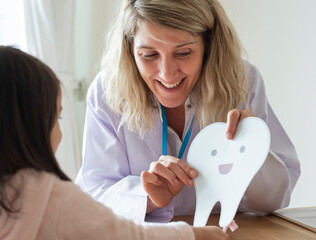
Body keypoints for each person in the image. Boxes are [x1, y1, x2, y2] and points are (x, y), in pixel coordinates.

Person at [75, 0, 300, 223]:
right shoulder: (108, 91)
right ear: (130, 49)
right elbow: (91, 198)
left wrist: (251, 150)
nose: (167, 74)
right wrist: (148, 197)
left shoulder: (242, 81)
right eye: (149, 55)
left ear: (208, 47)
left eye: (183, 53)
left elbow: (276, 199)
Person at [0, 46, 229, 240]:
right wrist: (197, 235)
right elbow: (129, 235)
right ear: (28, 126)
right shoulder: (52, 199)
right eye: (56, 117)